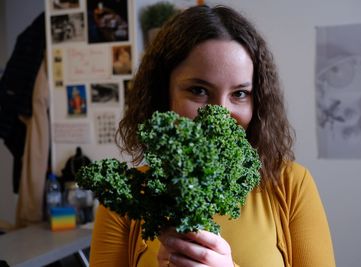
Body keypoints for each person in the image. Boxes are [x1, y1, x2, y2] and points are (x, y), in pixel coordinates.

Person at [90, 5, 336, 267]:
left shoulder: (291, 186)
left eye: (240, 94)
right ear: (163, 95)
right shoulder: (126, 200)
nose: (220, 113)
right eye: (199, 90)